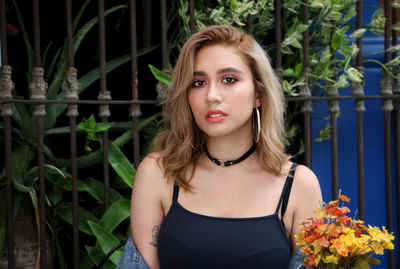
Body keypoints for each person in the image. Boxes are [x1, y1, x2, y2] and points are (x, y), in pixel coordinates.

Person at [118, 25, 322, 269]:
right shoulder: (159, 174)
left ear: (258, 93)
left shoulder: (298, 185)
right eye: (198, 82)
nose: (211, 95)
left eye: (229, 79)